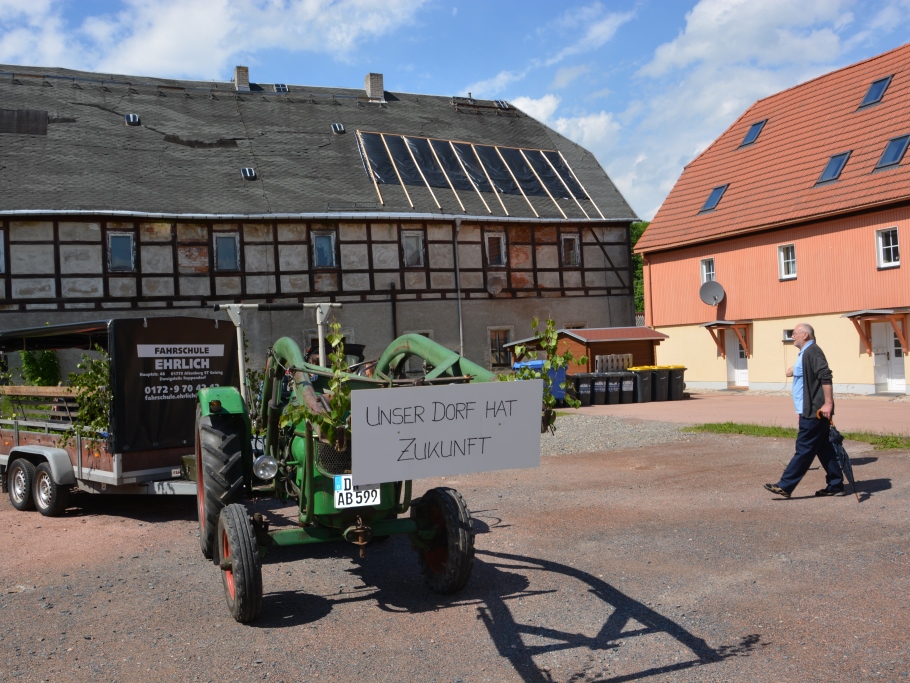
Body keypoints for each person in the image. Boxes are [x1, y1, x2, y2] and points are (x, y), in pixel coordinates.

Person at [764, 323, 844, 498]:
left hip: (814, 411)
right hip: (808, 410)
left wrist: (828, 403)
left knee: (804, 448)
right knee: (824, 449)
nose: (792, 336)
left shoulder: (813, 351)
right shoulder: (804, 354)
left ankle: (785, 485)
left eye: (795, 333)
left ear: (805, 335)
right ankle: (836, 485)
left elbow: (825, 376)